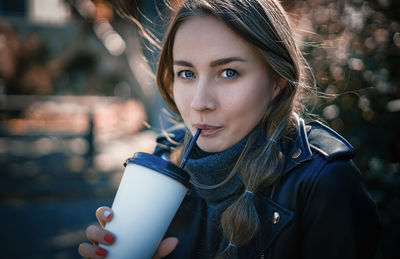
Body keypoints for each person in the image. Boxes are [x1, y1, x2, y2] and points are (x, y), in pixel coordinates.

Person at [78, 0, 380, 258]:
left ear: (276, 81)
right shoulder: (164, 162)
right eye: (186, 73)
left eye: (228, 72)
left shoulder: (322, 183)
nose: (200, 102)